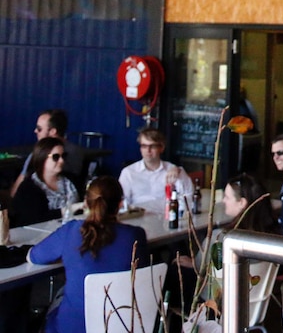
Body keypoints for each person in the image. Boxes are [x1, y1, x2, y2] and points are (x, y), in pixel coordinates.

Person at [27, 176, 149, 333]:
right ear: (120, 205)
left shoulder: (70, 231)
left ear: (86, 203)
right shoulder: (136, 236)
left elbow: (33, 256)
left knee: (59, 296)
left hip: (73, 327)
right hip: (122, 325)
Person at [166, 173, 277, 323]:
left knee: (172, 269)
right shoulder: (274, 238)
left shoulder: (221, 238)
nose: (223, 201)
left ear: (242, 203)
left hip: (214, 309)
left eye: (227, 197)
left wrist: (192, 263)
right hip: (253, 308)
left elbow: (200, 270)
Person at [9, 109, 84, 197]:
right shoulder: (76, 151)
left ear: (53, 132)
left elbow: (17, 190)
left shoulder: (38, 154)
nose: (35, 131)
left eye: (39, 129)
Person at [119, 127, 193, 213]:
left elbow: (189, 195)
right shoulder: (128, 172)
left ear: (161, 148)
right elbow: (121, 202)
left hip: (165, 219)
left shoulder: (173, 170)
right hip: (138, 219)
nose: (148, 150)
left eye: (152, 146)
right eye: (144, 146)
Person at [11, 137, 79, 227]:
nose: (62, 161)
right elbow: (34, 219)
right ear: (42, 157)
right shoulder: (28, 188)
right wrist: (69, 209)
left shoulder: (72, 180)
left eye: (64, 156)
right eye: (56, 157)